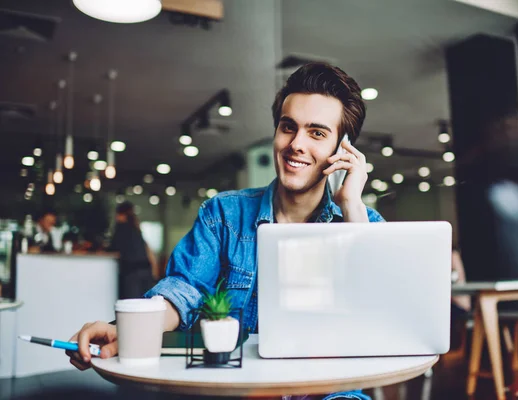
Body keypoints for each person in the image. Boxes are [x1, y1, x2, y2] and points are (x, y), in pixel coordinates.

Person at [67, 63, 383, 399]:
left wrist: (351, 205)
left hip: (330, 393)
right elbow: (184, 289)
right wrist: (128, 330)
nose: (296, 144)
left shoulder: (366, 224)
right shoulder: (224, 214)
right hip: (236, 390)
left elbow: (377, 320)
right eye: (288, 127)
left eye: (317, 133)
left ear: (343, 149)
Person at [108, 201, 160, 299]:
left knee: (133, 304)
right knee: (144, 303)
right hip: (146, 271)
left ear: (120, 214)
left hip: (132, 273)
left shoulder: (121, 228)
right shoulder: (135, 228)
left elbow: (113, 249)